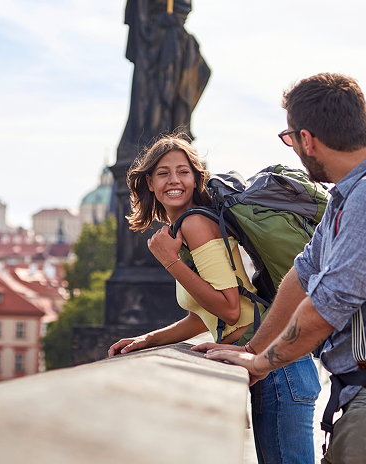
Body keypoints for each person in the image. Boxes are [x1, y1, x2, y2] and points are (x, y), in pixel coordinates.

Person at [202, 73, 366, 463]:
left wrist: (261, 362)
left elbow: (329, 304)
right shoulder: (352, 193)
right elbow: (302, 275)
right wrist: (253, 353)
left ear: (307, 139)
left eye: (290, 139)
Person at [107, 134, 318, 464]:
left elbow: (230, 309)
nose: (174, 180)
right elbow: (205, 314)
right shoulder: (188, 226)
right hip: (275, 364)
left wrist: (170, 262)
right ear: (149, 181)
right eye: (163, 173)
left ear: (195, 178)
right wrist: (149, 338)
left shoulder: (195, 224)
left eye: (183, 172)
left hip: (277, 368)